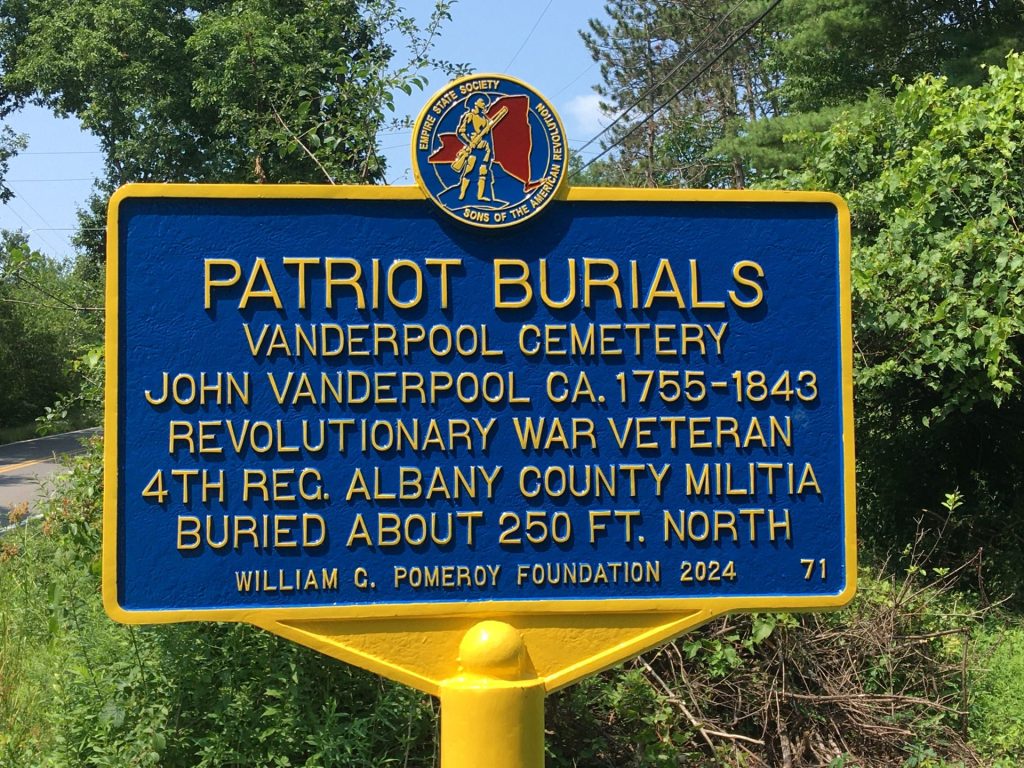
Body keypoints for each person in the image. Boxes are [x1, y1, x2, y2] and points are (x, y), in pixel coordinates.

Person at [454, 97, 496, 201]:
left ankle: (480, 196)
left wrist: (490, 151)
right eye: (482, 102)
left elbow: (489, 137)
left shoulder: (485, 119)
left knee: (483, 172)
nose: (484, 104)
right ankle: (462, 194)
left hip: (484, 149)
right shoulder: (469, 116)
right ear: (475, 103)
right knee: (469, 171)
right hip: (473, 149)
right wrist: (470, 142)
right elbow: (461, 132)